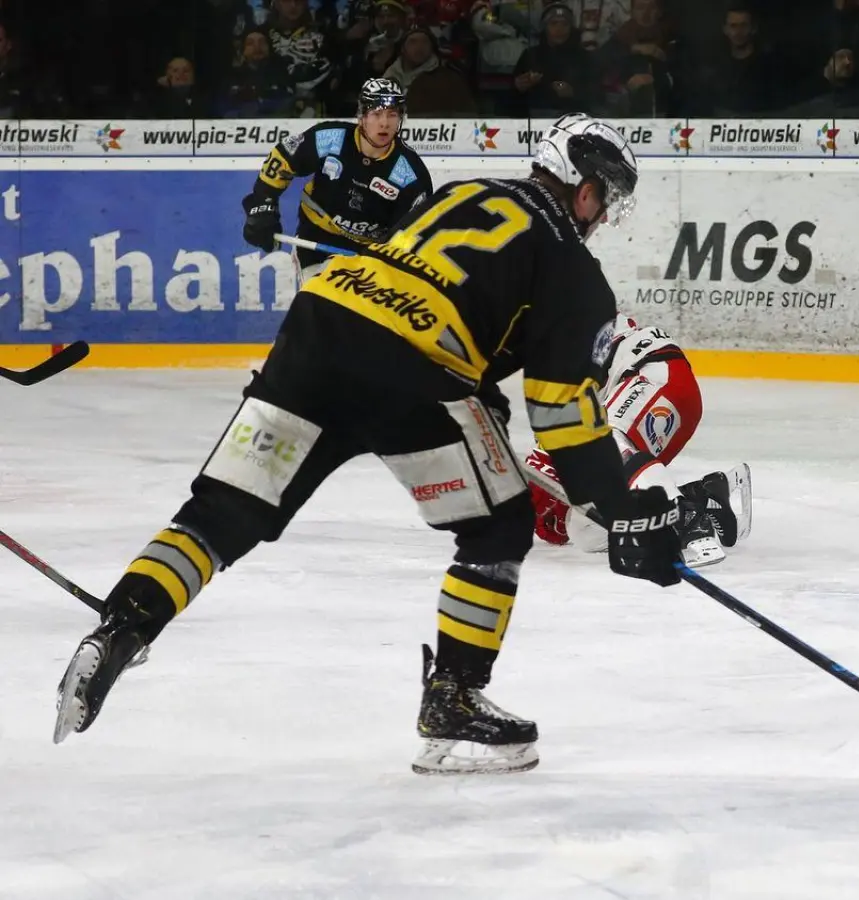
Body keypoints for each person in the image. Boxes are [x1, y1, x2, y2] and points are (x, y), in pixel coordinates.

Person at [54, 114, 684, 776]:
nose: (604, 214)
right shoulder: (574, 268)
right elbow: (563, 414)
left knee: (219, 515)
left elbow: (446, 286)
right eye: (605, 196)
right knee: (499, 524)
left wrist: (481, 389)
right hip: (410, 369)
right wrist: (615, 508)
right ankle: (455, 699)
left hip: (318, 328)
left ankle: (124, 622)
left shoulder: (463, 192)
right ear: (583, 189)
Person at [525, 314, 751, 568]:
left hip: (656, 375)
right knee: (585, 530)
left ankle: (687, 519)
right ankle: (700, 497)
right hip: (647, 404)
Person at [241, 77, 433, 283]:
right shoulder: (330, 137)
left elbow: (414, 233)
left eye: (392, 115)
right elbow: (283, 159)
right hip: (316, 238)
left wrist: (394, 257)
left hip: (369, 254)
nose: (384, 123)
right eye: (376, 114)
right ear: (362, 116)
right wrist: (262, 204)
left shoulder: (411, 174)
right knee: (322, 306)